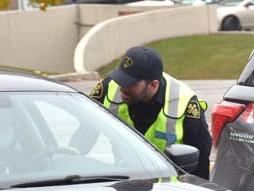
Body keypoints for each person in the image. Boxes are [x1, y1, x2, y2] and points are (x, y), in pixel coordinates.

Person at [90, 46, 212, 179]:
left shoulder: (185, 105)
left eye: (130, 83)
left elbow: (200, 162)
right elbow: (86, 127)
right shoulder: (109, 87)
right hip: (124, 182)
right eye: (121, 79)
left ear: (153, 85)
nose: (122, 87)